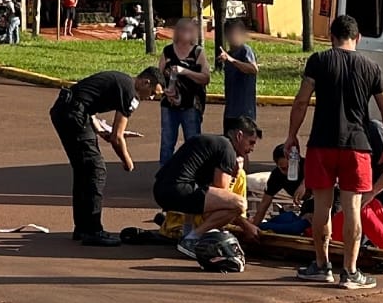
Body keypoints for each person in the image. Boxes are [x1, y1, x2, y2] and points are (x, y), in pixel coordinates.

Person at [285, 13, 383, 291]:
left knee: (322, 207)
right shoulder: (371, 68)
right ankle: (350, 271)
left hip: (322, 143)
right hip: (357, 146)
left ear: (331, 38)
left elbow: (301, 102)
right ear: (357, 38)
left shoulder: (319, 61)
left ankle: (322, 266)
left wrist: (291, 136)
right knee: (353, 209)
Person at [50, 67, 163, 245]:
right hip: (73, 113)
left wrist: (105, 132)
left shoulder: (122, 81)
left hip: (66, 110)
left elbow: (88, 101)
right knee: (96, 170)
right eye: (152, 93)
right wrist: (127, 161)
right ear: (145, 82)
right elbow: (117, 138)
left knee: (84, 171)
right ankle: (93, 231)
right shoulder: (131, 94)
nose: (150, 98)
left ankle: (82, 228)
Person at [153, 121, 263, 258]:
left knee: (198, 191)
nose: (252, 148)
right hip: (177, 191)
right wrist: (246, 226)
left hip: (160, 190)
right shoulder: (227, 149)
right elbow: (223, 196)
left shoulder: (211, 144)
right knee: (239, 203)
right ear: (239, 136)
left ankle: (187, 233)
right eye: (251, 142)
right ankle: (192, 239)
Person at [159, 17, 211, 163]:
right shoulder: (168, 51)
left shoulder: (198, 52)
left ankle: (193, 176)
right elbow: (159, 75)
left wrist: (185, 71)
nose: (185, 33)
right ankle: (164, 176)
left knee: (193, 142)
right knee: (167, 143)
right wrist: (165, 90)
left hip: (191, 104)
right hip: (169, 104)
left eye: (189, 30)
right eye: (182, 29)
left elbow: (206, 78)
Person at [220, 16, 258, 131]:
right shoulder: (229, 54)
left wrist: (232, 60)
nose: (232, 37)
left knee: (244, 144)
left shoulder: (245, 50)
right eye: (229, 33)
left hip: (245, 112)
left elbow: (253, 68)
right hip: (230, 111)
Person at [253, 143, 306, 226]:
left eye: (292, 167)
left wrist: (305, 183)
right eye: (284, 169)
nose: (289, 172)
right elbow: (264, 204)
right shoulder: (277, 176)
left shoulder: (309, 165)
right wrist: (254, 227)